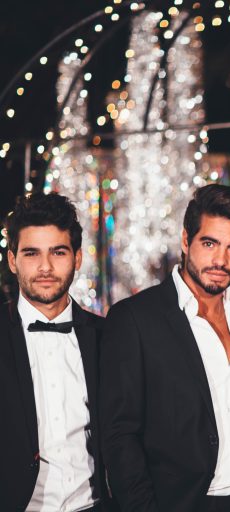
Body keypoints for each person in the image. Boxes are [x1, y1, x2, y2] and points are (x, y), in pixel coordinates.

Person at [99, 184, 230, 512]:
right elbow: (119, 435)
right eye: (209, 243)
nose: (220, 260)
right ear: (186, 241)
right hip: (185, 502)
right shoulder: (135, 318)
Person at [0, 192, 110, 511]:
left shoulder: (108, 337)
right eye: (31, 253)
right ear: (12, 260)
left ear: (77, 258)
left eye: (58, 252)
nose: (45, 267)